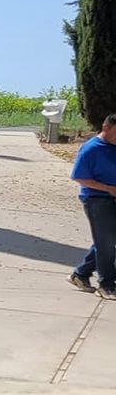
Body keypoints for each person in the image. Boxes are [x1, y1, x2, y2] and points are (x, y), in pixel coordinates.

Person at [67, 112, 116, 300]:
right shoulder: (91, 148)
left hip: (112, 198)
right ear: (106, 128)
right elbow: (78, 176)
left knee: (105, 242)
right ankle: (106, 285)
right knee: (106, 243)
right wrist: (108, 188)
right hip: (96, 199)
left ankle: (80, 274)